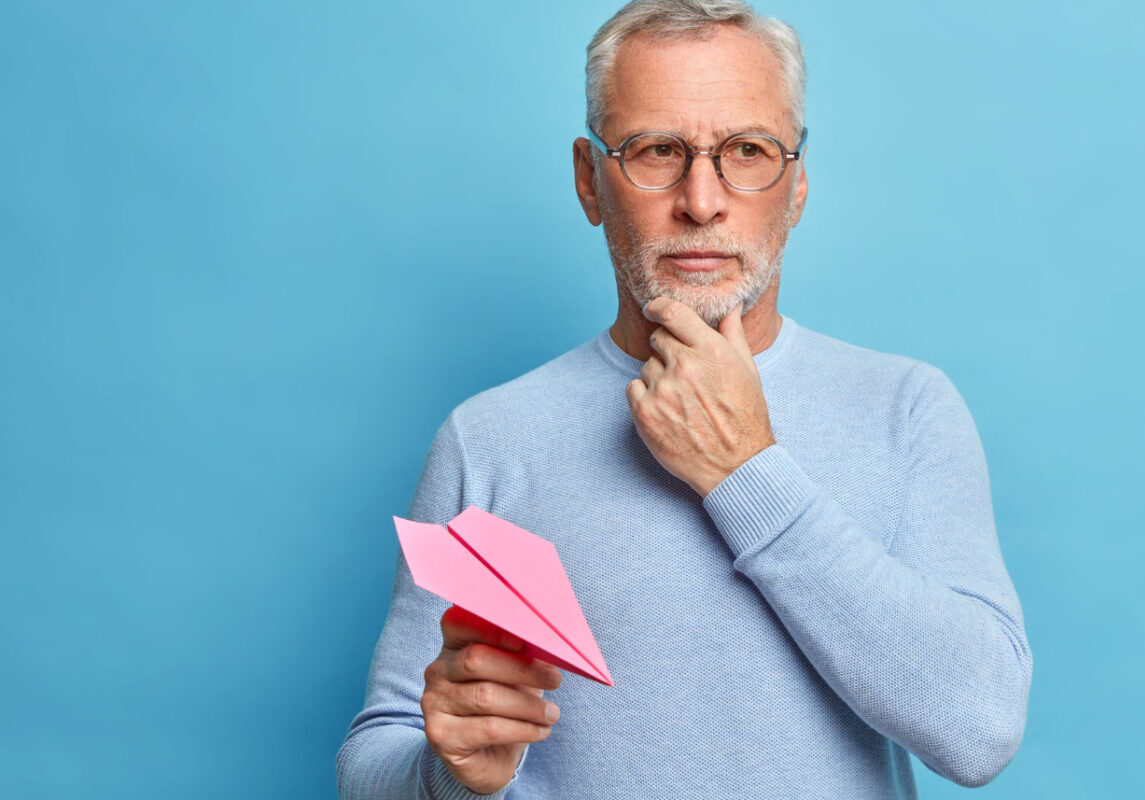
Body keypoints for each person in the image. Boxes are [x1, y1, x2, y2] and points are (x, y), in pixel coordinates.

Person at [337, 1, 1033, 797]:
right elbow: (376, 761)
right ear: (589, 180)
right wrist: (451, 772)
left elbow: (980, 729)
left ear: (797, 185)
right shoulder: (491, 438)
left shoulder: (906, 411)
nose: (702, 200)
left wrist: (743, 468)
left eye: (747, 150)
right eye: (657, 150)